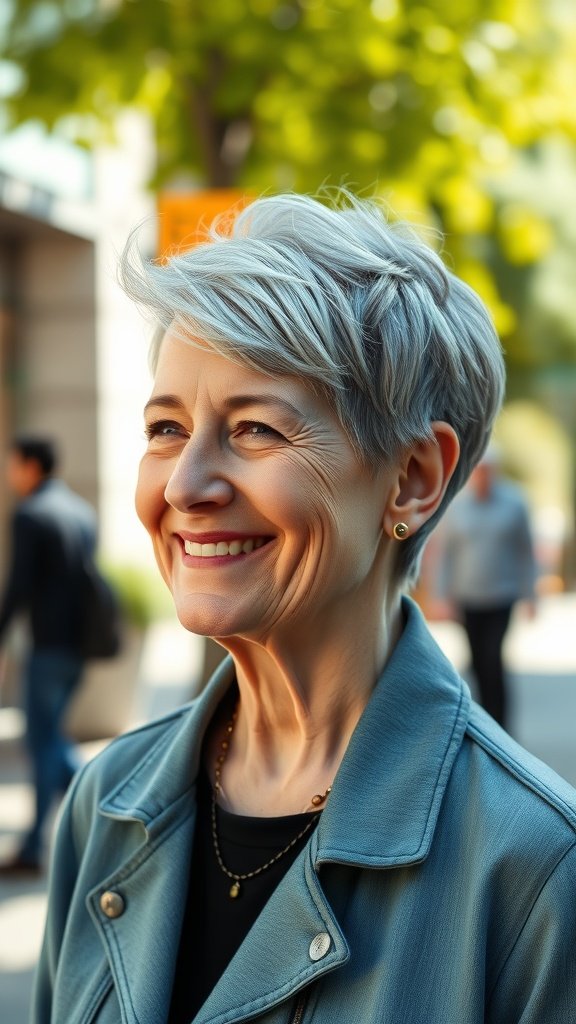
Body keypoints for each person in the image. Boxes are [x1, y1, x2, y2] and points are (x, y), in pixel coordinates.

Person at [32, 193, 575, 1023]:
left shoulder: (537, 867)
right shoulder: (106, 800)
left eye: (255, 430)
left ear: (414, 478)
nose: (185, 485)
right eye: (167, 428)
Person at [0, 436, 97, 874]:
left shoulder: (31, 514)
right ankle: (99, 809)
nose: (9, 473)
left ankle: (35, 847)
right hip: (80, 647)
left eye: (12, 464)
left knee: (41, 744)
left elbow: (18, 585)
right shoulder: (80, 511)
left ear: (30, 466)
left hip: (48, 648)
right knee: (49, 740)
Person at [434, 446, 537, 729]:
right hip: (468, 597)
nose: (482, 477)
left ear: (495, 472)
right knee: (477, 662)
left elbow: (526, 553)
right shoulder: (457, 507)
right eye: (478, 472)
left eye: (487, 471)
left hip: (501, 596)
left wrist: (530, 595)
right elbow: (445, 555)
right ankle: (482, 722)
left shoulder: (515, 503)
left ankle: (502, 723)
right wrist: (441, 596)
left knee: (493, 657)